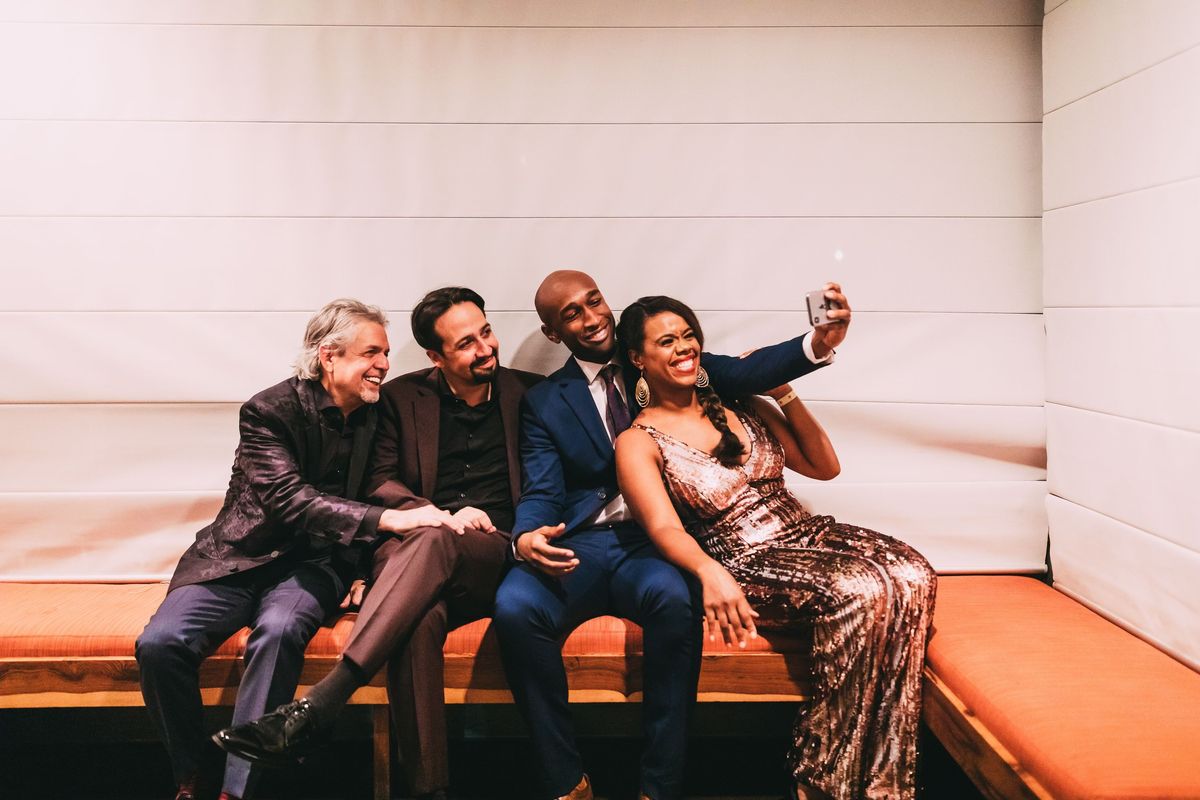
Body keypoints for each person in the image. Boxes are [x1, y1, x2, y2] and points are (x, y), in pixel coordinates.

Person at [492, 270, 842, 800]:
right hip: (582, 542)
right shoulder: (545, 400)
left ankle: (661, 787)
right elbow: (542, 487)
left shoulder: (671, 364)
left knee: (674, 603)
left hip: (652, 542)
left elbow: (753, 369)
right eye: (572, 314)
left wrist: (815, 344)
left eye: (595, 301)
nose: (591, 318)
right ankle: (566, 781)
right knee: (515, 607)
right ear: (552, 334)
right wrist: (526, 536)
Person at [213, 288, 541, 800]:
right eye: (465, 344)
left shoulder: (531, 395)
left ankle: (322, 704)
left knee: (438, 540)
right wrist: (431, 513)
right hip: (413, 544)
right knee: (417, 618)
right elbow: (378, 481)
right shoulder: (399, 399)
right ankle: (429, 790)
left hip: (489, 547)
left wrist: (477, 523)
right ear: (436, 357)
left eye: (486, 332)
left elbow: (551, 481)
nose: (484, 349)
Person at [135, 299, 466, 800]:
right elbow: (291, 501)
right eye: (371, 353)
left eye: (386, 353)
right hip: (236, 559)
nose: (384, 364)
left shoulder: (382, 415)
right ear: (329, 356)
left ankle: (237, 791)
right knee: (159, 644)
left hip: (315, 566)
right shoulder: (269, 411)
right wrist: (390, 519)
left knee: (280, 630)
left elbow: (390, 482)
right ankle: (191, 772)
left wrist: (374, 566)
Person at [612, 295, 937, 800]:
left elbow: (824, 466)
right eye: (666, 340)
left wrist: (782, 390)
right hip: (744, 558)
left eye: (689, 335)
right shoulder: (639, 440)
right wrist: (710, 574)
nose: (683, 348)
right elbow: (664, 529)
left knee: (914, 573)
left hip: (806, 533)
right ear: (638, 358)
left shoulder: (744, 405)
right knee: (860, 587)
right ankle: (822, 777)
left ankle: (883, 779)